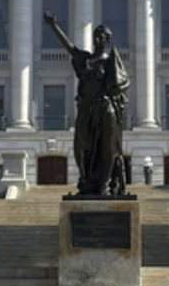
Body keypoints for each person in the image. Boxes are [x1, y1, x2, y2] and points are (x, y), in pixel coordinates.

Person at [43, 11, 129, 196]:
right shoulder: (85, 59)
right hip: (86, 108)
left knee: (107, 148)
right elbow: (69, 47)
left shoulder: (111, 62)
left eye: (101, 36)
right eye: (95, 35)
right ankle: (85, 179)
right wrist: (53, 26)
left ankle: (104, 185)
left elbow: (121, 84)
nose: (97, 39)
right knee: (81, 146)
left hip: (105, 108)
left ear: (107, 40)